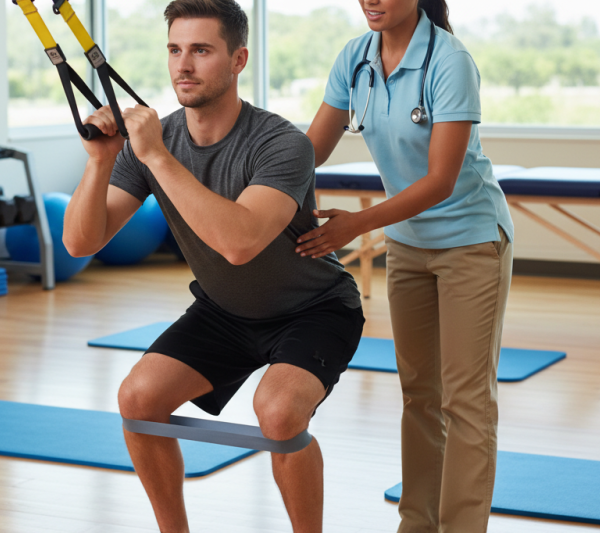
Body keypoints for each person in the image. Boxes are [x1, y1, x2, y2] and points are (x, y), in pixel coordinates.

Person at [63, 1, 364, 531]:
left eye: (201, 50)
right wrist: (101, 161)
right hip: (225, 311)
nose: (183, 65)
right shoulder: (152, 143)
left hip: (313, 309)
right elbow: (80, 242)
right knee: (138, 399)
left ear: (238, 59)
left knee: (279, 414)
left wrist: (157, 157)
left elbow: (240, 243)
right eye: (175, 50)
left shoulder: (281, 143)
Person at [296, 1, 514, 531]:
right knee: (419, 394)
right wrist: (234, 149)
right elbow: (308, 152)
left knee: (466, 401)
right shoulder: (355, 58)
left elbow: (440, 181)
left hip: (471, 242)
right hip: (408, 246)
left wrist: (357, 225)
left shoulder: (449, 61)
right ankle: (416, 524)